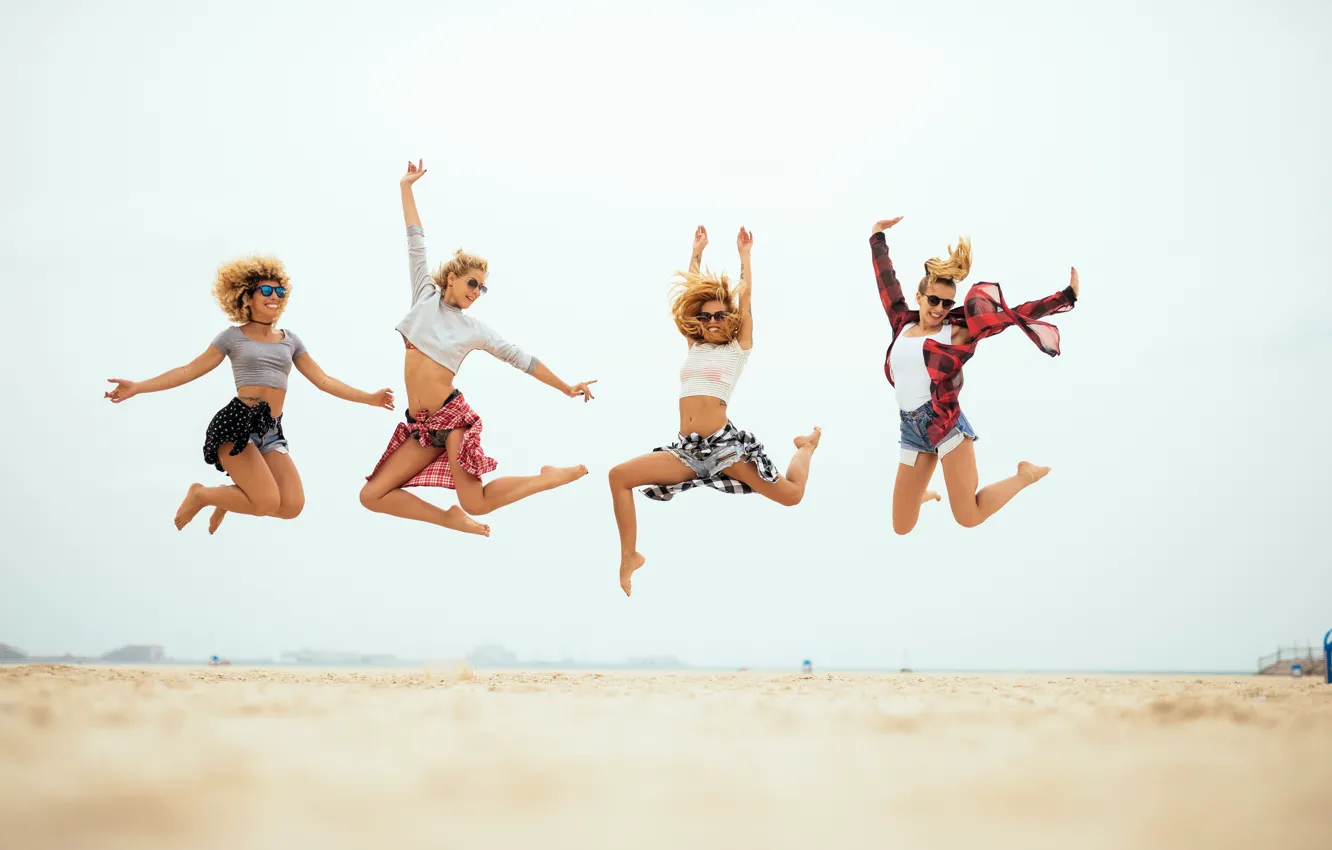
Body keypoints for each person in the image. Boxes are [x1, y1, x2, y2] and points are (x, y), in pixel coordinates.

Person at [359, 160, 597, 536]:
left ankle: (545, 478)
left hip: (452, 420)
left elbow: (522, 359)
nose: (476, 292)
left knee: (477, 501)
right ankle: (447, 519)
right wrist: (406, 188)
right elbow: (415, 241)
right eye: (472, 282)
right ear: (451, 278)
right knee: (371, 496)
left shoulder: (474, 330)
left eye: (481, 288)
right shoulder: (425, 296)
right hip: (422, 428)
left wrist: (566, 386)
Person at [607, 225, 822, 596]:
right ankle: (629, 556)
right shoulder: (695, 346)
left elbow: (747, 297)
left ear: (731, 318)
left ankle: (806, 447)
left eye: (719, 315)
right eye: (704, 318)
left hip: (724, 448)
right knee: (618, 476)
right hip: (687, 451)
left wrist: (745, 257)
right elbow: (691, 292)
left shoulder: (738, 349)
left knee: (792, 496)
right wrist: (696, 253)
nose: (711, 322)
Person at [105, 256, 394, 532]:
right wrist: (138, 386)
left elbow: (324, 379)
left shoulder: (290, 341)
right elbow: (188, 370)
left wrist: (369, 397)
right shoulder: (233, 337)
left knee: (291, 505)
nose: (275, 296)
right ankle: (203, 494)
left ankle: (229, 497)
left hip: (271, 430)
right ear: (247, 297)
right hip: (236, 424)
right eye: (266, 290)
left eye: (280, 290)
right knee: (266, 500)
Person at [869, 216, 1080, 535]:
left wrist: (1064, 298)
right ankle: (918, 495)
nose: (939, 308)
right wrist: (877, 237)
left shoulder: (957, 332)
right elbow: (887, 283)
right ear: (920, 296)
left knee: (968, 516)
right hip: (911, 429)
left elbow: (1014, 315)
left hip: (946, 426)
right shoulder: (902, 322)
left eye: (947, 302)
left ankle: (1024, 476)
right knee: (901, 526)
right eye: (934, 300)